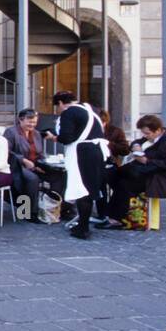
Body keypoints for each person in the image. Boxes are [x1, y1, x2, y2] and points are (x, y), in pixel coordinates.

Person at [99, 114, 166, 229]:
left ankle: (116, 218)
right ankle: (115, 214)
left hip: (164, 178)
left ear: (157, 131)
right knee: (114, 174)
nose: (145, 136)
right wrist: (136, 145)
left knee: (125, 184)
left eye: (147, 134)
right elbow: (137, 141)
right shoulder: (156, 136)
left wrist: (146, 161)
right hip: (151, 172)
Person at [48, 91, 108, 240]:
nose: (58, 110)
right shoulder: (91, 110)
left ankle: (83, 227)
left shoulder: (69, 113)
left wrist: (54, 137)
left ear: (61, 103)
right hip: (98, 151)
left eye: (57, 106)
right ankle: (84, 223)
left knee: (81, 189)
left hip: (81, 152)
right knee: (90, 188)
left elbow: (66, 138)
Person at [4, 107, 49, 222]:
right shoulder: (11, 132)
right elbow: (7, 151)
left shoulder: (37, 134)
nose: (32, 124)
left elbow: (40, 153)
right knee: (32, 179)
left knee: (58, 175)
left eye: (34, 122)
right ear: (21, 120)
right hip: (17, 166)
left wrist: (44, 164)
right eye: (29, 121)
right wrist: (23, 160)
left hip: (35, 164)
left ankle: (55, 208)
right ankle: (29, 213)